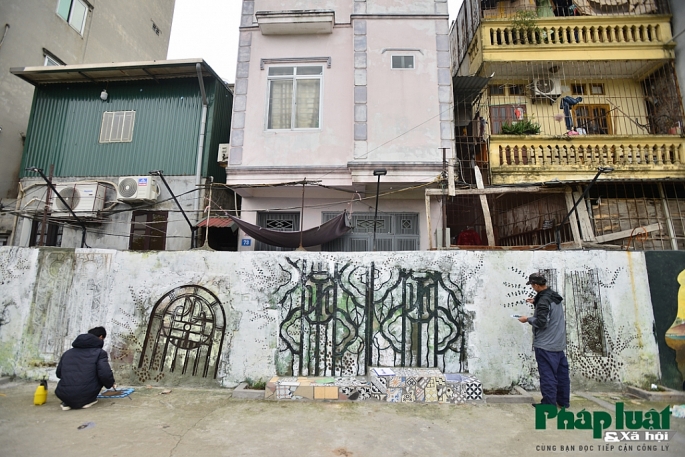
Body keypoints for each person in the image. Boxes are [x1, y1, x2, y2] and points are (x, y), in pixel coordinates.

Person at [517, 273, 570, 409]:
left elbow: (541, 322)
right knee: (561, 374)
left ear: (536, 285)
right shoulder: (553, 296)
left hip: (546, 344)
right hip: (558, 343)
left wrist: (527, 319)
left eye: (533, 286)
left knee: (548, 375)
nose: (533, 288)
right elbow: (548, 309)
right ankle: (563, 401)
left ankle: (548, 404)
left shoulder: (543, 301)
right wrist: (534, 301)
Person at [55, 326, 116, 410]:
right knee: (99, 373)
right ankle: (86, 400)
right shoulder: (100, 353)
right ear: (101, 338)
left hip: (63, 394)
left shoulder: (67, 353)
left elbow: (59, 374)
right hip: (86, 394)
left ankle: (67, 402)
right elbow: (104, 373)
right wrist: (110, 383)